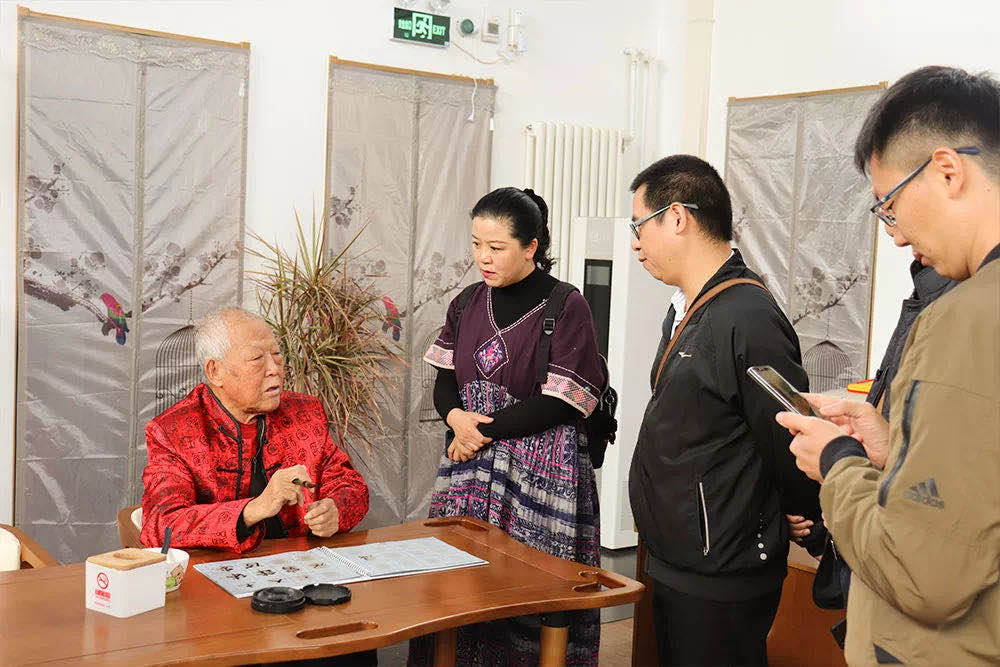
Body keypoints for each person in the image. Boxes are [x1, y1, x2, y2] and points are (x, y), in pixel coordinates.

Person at [777, 66, 999, 665]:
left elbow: (924, 573)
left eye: (890, 205)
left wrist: (836, 462)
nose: (896, 237)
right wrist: (895, 447)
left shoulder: (967, 316)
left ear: (948, 171)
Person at [627, 155, 826, 666]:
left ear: (677, 217)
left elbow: (787, 431)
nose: (635, 244)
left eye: (638, 226)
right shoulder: (689, 307)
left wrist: (801, 513)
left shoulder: (748, 316)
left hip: (723, 567)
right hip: (681, 555)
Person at [410, 187, 606, 666]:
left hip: (540, 475)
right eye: (477, 244)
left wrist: (477, 431)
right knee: (456, 587)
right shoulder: (466, 303)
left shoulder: (567, 304)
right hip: (468, 469)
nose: (483, 257)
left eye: (496, 247)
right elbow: (445, 382)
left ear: (531, 246)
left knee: (529, 595)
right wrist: (456, 418)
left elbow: (562, 401)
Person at [141, 306, 369, 554]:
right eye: (257, 359)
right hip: (218, 570)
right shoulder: (173, 431)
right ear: (215, 371)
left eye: (277, 354)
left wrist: (335, 510)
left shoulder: (305, 413)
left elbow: (350, 484)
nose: (274, 369)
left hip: (300, 564)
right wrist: (257, 508)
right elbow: (162, 524)